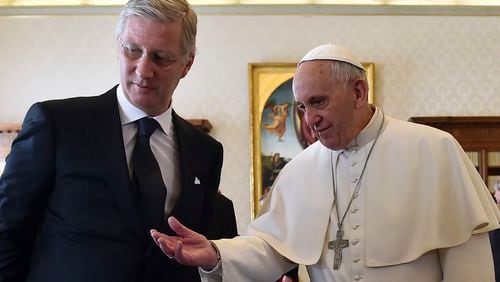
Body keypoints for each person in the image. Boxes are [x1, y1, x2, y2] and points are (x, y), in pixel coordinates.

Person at [150, 43, 500, 281]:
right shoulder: (300, 170)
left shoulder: (434, 149)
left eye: (319, 102)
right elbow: (273, 248)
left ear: (359, 92)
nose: (309, 119)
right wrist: (214, 253)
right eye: (302, 106)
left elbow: (468, 263)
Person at [0, 0, 229, 281]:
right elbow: (7, 228)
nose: (144, 70)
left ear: (187, 63)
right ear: (118, 47)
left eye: (161, 57)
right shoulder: (56, 123)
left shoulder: (205, 151)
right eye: (132, 51)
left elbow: (201, 246)